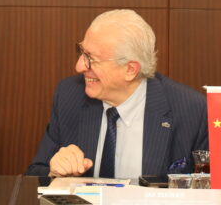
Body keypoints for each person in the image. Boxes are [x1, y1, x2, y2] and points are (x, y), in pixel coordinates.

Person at [26, 9, 208, 178]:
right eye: (81, 52)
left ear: (130, 70)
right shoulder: (70, 95)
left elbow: (212, 189)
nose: (79, 66)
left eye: (91, 58)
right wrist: (54, 173)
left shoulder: (191, 110)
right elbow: (34, 174)